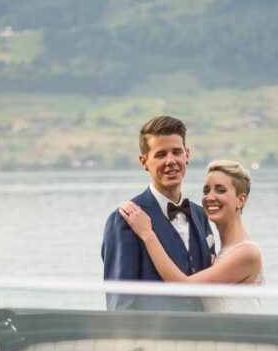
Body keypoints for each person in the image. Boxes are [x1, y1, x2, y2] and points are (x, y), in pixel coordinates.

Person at [102, 115, 216, 311]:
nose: (170, 161)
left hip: (199, 336)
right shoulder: (124, 219)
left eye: (176, 152)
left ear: (187, 155)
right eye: (161, 154)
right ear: (144, 161)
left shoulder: (200, 215)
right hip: (153, 339)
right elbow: (120, 304)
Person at [119, 159, 263, 313]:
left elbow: (184, 287)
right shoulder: (219, 256)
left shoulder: (247, 253)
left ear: (240, 200)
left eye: (220, 190)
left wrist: (147, 234)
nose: (210, 197)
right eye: (206, 190)